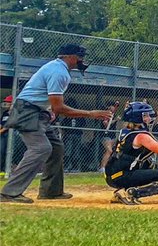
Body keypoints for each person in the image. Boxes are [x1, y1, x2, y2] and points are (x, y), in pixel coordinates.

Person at [0, 44, 112, 203]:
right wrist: (90, 113)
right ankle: (9, 193)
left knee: (56, 147)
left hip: (37, 112)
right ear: (70, 57)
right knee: (41, 148)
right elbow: (59, 107)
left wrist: (49, 111)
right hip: (27, 112)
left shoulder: (58, 69)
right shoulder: (58, 72)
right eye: (80, 57)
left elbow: (52, 104)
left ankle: (51, 191)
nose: (81, 61)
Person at [105, 101, 158, 205]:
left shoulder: (125, 130)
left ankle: (122, 192)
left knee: (149, 163)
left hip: (112, 174)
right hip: (121, 176)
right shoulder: (141, 136)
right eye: (145, 115)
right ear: (137, 117)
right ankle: (131, 193)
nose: (149, 118)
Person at [0, 94, 12, 179]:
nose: (6, 104)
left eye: (8, 102)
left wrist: (1, 131)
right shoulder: (5, 113)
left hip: (10, 134)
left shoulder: (14, 112)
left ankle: (6, 169)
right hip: (3, 134)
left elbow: (8, 126)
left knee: (7, 151)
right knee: (1, 151)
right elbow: (1, 124)